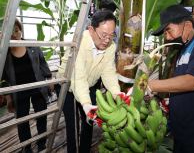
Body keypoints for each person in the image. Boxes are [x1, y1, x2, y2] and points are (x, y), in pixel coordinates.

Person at [147, 5, 194, 152]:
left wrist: (150, 85)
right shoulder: (183, 48)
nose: (167, 37)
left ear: (187, 25)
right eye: (165, 33)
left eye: (169, 30)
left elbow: (193, 81)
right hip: (182, 132)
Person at [55, 9, 124, 153]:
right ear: (91, 30)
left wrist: (117, 92)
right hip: (68, 87)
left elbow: (108, 72)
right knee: (72, 126)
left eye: (111, 36)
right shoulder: (78, 44)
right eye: (103, 35)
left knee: (89, 123)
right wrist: (86, 103)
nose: (107, 40)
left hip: (90, 85)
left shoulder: (110, 46)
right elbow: (78, 78)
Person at [1, 18, 54, 153]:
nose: (14, 34)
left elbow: (43, 64)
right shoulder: (3, 53)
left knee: (41, 115)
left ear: (20, 31)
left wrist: (49, 80)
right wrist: (8, 98)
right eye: (10, 31)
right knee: (22, 120)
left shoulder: (32, 45)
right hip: (19, 91)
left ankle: (42, 143)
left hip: (37, 87)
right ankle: (26, 146)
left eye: (17, 30)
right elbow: (3, 78)